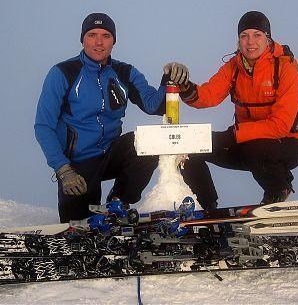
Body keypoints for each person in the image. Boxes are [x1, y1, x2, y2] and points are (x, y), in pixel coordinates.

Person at [34, 12, 189, 222]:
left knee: (145, 142)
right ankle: (83, 216)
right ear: (82, 39)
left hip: (111, 153)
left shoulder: (124, 72)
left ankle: (118, 202)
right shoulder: (63, 73)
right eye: (92, 35)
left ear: (114, 41)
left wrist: (169, 79)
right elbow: (44, 126)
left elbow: (154, 106)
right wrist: (63, 170)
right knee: (78, 224)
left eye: (106, 36)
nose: (99, 42)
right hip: (79, 164)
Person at [177, 11, 298, 209]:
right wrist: (185, 87)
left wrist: (238, 135)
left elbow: (280, 125)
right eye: (244, 36)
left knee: (254, 149)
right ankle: (207, 207)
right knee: (190, 149)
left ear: (267, 38)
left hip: (286, 144)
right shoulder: (234, 66)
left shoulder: (285, 68)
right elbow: (208, 95)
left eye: (257, 35)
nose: (250, 42)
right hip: (245, 141)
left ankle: (278, 189)